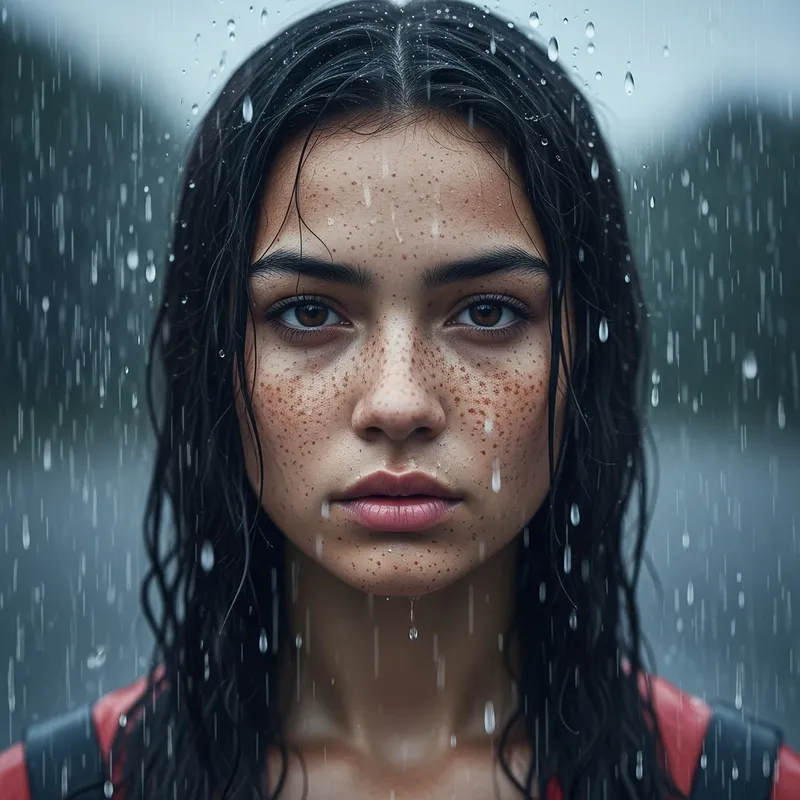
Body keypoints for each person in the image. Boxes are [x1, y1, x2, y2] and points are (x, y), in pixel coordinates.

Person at [1, 0, 798, 798]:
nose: (398, 402)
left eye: (487, 311)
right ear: (217, 362)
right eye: (308, 312)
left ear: (582, 359)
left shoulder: (744, 787)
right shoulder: (51, 787)